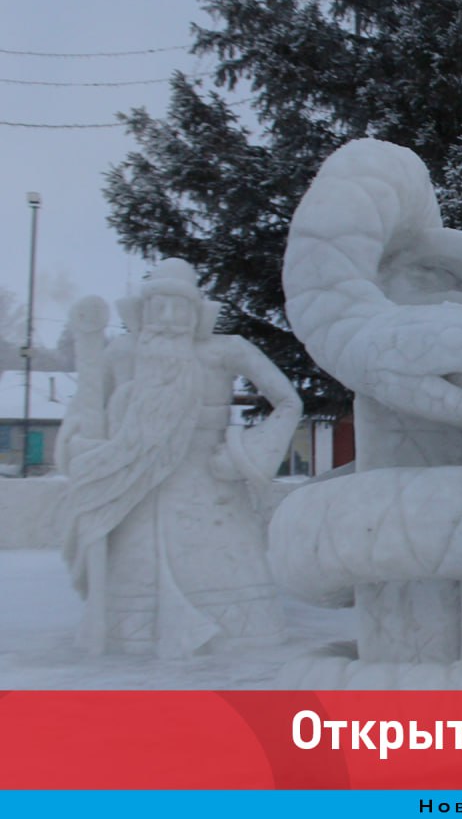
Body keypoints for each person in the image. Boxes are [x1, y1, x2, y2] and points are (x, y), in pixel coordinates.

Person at [55, 258, 303, 657]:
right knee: (133, 606)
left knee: (229, 598)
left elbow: (289, 402)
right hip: (134, 493)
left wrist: (245, 452)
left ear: (197, 312)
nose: (169, 319)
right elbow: (85, 414)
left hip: (210, 495)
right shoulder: (121, 353)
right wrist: (80, 446)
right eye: (159, 307)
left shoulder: (226, 351)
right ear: (142, 310)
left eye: (180, 308)